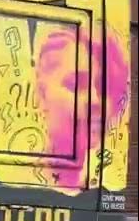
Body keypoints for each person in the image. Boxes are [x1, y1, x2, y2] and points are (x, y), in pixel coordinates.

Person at [35, 26, 130, 189]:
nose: (95, 100)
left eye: (103, 87)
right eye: (76, 84)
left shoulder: (108, 186)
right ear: (42, 95)